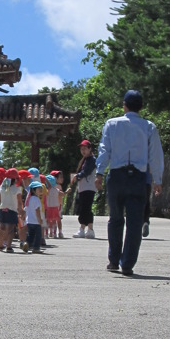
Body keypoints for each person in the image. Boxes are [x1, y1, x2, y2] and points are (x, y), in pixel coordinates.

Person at [94, 90, 164, 277]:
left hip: (116, 177)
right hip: (138, 179)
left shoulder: (112, 124)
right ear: (141, 107)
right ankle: (127, 264)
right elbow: (155, 155)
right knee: (135, 223)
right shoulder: (149, 127)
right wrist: (157, 179)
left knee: (115, 219)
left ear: (124, 105)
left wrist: (99, 172)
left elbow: (104, 149)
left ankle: (113, 260)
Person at [71, 140, 97, 238]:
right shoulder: (85, 160)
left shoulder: (92, 160)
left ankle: (88, 229)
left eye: (85, 148)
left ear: (90, 149)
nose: (83, 151)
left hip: (89, 187)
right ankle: (84, 229)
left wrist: (77, 176)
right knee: (83, 208)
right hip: (84, 187)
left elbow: (86, 172)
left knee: (86, 207)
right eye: (82, 149)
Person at [0, 168, 23, 253]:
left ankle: (1, 245)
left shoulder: (2, 188)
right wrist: (21, 210)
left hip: (2, 209)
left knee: (1, 227)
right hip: (12, 210)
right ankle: (9, 246)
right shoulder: (16, 189)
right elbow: (19, 201)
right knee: (10, 229)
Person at [24, 180, 46, 253]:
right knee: (38, 235)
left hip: (29, 221)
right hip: (36, 221)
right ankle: (36, 248)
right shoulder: (36, 199)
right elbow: (37, 211)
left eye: (41, 188)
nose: (40, 189)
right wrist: (40, 220)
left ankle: (27, 244)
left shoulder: (29, 199)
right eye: (38, 188)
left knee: (31, 235)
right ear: (33, 190)